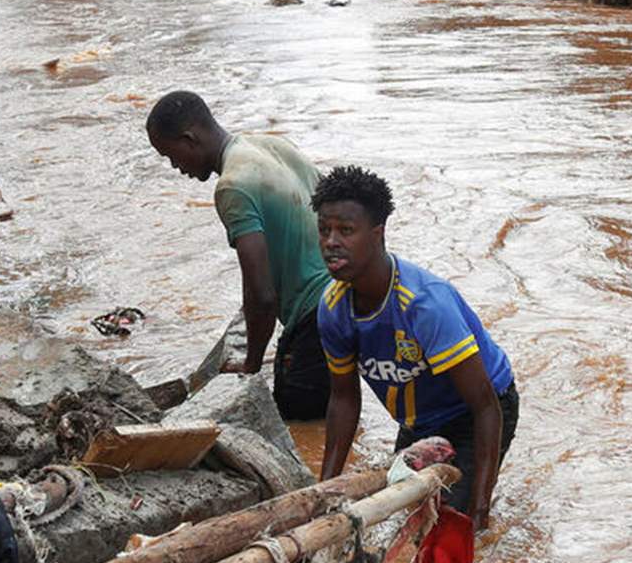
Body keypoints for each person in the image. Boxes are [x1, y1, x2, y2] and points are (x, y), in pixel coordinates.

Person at [314, 166, 517, 531]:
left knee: (452, 526)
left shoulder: (423, 305)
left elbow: (486, 405)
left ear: (378, 234)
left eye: (346, 231)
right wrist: (324, 495)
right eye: (324, 230)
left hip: (479, 411)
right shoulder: (333, 307)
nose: (331, 242)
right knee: (405, 516)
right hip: (420, 419)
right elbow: (344, 400)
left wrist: (479, 511)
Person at [147, 92, 333, 419]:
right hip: (348, 298)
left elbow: (261, 294)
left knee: (299, 422)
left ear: (189, 138)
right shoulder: (272, 146)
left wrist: (251, 363)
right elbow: (336, 206)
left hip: (313, 317)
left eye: (170, 156)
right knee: (336, 403)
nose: (176, 167)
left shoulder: (232, 186)